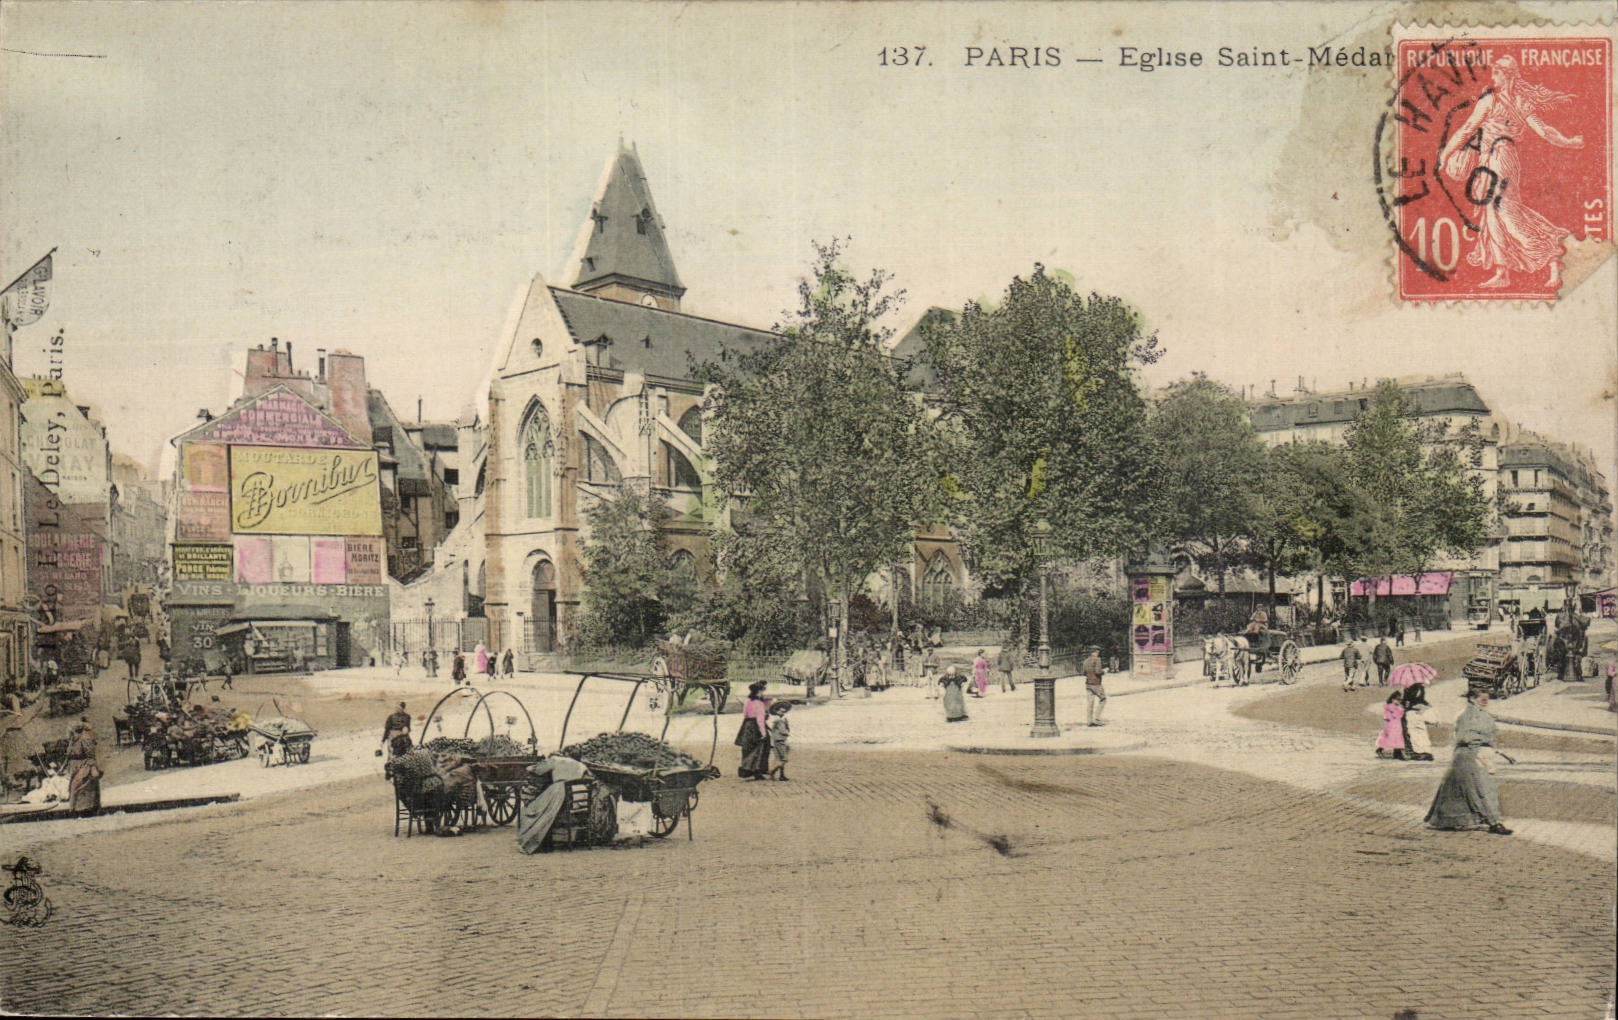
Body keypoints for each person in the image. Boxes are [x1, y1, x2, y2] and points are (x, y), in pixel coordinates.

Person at [1438, 55, 1585, 290]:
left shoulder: (1491, 100)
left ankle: (1552, 250)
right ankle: (1504, 272)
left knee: (1504, 213)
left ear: (1506, 76)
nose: (1492, 77)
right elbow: (1545, 131)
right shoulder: (1520, 102)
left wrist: (1445, 155)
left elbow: (1466, 130)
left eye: (1496, 73)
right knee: (1494, 214)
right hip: (1502, 160)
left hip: (1497, 159)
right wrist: (1568, 142)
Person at [1425, 685, 1515, 835]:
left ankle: (1455, 820)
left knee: (1462, 789)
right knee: (1481, 788)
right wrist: (1481, 743)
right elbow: (1464, 737)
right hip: (1467, 755)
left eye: (1487, 699)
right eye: (1482, 699)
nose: (1486, 702)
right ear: (1472, 699)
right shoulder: (1466, 715)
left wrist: (1501, 752)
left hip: (1473, 755)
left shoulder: (1482, 715)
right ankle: (1494, 822)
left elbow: (1490, 737)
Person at [735, 680, 773, 779]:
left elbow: (745, 714)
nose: (762, 694)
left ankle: (747, 768)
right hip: (756, 726)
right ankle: (757, 771)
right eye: (762, 691)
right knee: (761, 747)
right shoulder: (759, 703)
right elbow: (760, 719)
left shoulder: (748, 700)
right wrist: (763, 733)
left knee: (748, 747)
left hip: (747, 725)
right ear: (759, 692)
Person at [67, 717, 102, 816]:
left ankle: (85, 810)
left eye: (70, 730)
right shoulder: (73, 740)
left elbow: (90, 755)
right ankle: (77, 809)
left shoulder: (85, 739)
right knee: (75, 787)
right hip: (76, 767)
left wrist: (92, 768)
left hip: (85, 766)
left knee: (81, 786)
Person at [1401, 683, 1434, 761]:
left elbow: (1421, 700)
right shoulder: (1408, 688)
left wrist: (1427, 704)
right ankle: (1418, 751)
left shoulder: (1421, 688)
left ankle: (1424, 751)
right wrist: (1408, 705)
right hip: (1411, 712)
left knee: (1421, 731)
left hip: (1418, 712)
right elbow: (1406, 701)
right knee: (1414, 732)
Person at [1375, 689, 1406, 759]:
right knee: (1394, 738)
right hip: (1392, 726)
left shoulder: (1389, 707)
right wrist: (1401, 711)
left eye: (1400, 700)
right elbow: (1396, 715)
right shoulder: (1392, 707)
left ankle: (1396, 753)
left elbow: (1386, 716)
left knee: (1393, 738)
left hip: (1394, 725)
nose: (1399, 701)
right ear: (1392, 699)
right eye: (1398, 699)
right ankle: (1382, 750)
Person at [767, 701, 792, 781]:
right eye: (781, 711)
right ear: (776, 711)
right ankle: (772, 771)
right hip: (779, 740)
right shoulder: (778, 720)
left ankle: (781, 774)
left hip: (779, 739)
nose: (783, 712)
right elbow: (784, 731)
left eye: (784, 711)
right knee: (784, 759)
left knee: (780, 758)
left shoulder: (781, 719)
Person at [1083, 647, 1108, 727]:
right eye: (1097, 652)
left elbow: (1083, 672)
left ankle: (1089, 721)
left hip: (1088, 683)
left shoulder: (1086, 661)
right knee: (1103, 699)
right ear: (1095, 652)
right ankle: (1097, 718)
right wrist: (1104, 671)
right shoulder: (1097, 660)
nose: (1098, 653)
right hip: (1096, 683)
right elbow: (1098, 671)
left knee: (1090, 702)